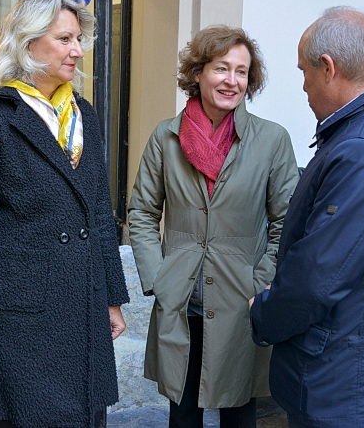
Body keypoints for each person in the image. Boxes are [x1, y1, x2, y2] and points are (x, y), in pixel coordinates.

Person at [250, 7, 364, 428]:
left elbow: (320, 277)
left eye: (304, 72)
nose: (303, 85)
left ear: (328, 68)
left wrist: (263, 312)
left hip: (341, 378)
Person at [0, 0, 129, 428]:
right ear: (28, 43)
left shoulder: (83, 114)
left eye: (78, 39)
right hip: (22, 320)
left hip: (83, 304)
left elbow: (98, 212)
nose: (77, 51)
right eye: (64, 39)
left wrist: (112, 298)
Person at [127, 26, 298, 428]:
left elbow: (287, 223)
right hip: (181, 300)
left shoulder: (272, 140)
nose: (231, 80)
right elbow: (142, 212)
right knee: (183, 413)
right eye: (222, 68)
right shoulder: (166, 137)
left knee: (239, 413)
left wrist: (261, 282)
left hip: (243, 302)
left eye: (241, 72)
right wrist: (159, 278)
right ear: (198, 73)